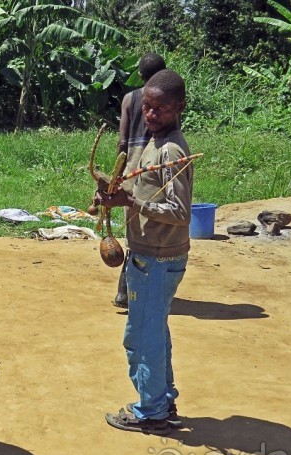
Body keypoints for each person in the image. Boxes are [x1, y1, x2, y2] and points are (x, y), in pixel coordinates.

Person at [96, 69, 192, 435]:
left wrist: (131, 201)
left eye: (162, 109)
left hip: (158, 259)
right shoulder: (150, 143)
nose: (152, 115)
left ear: (180, 107)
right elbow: (140, 191)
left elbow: (180, 213)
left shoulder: (172, 150)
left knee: (140, 338)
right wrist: (111, 195)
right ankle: (162, 400)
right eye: (148, 108)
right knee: (153, 332)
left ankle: (150, 411)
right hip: (148, 257)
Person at [112, 53, 167, 309]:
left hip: (131, 167)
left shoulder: (129, 98)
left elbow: (123, 142)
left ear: (140, 74)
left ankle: (126, 290)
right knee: (148, 233)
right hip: (153, 168)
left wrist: (117, 175)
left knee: (134, 232)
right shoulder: (165, 101)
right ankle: (130, 290)